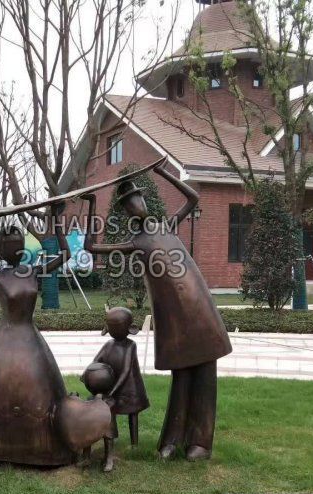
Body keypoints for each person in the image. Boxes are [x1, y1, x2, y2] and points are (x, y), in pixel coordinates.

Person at [81, 160, 232, 461]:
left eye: (138, 199)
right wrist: (92, 205)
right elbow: (91, 248)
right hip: (174, 315)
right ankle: (173, 438)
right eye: (130, 205)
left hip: (199, 307)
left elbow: (193, 198)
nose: (137, 206)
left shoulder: (167, 225)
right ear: (127, 213)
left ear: (145, 201)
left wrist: (164, 172)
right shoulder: (135, 242)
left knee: (205, 374)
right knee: (182, 374)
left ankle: (200, 442)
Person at [0, 220, 76, 466]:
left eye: (18, 242)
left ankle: (38, 448)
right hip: (4, 339)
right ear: (0, 249)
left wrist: (56, 219)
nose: (15, 247)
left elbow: (65, 254)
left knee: (38, 393)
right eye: (9, 243)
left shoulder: (32, 271)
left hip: (30, 340)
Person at [84, 306, 150, 472]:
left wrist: (112, 391)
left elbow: (126, 370)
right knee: (108, 411)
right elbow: (96, 362)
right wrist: (88, 375)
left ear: (129, 329)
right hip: (110, 385)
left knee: (132, 414)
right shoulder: (108, 345)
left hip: (129, 386)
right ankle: (94, 449)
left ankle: (134, 444)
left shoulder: (130, 346)